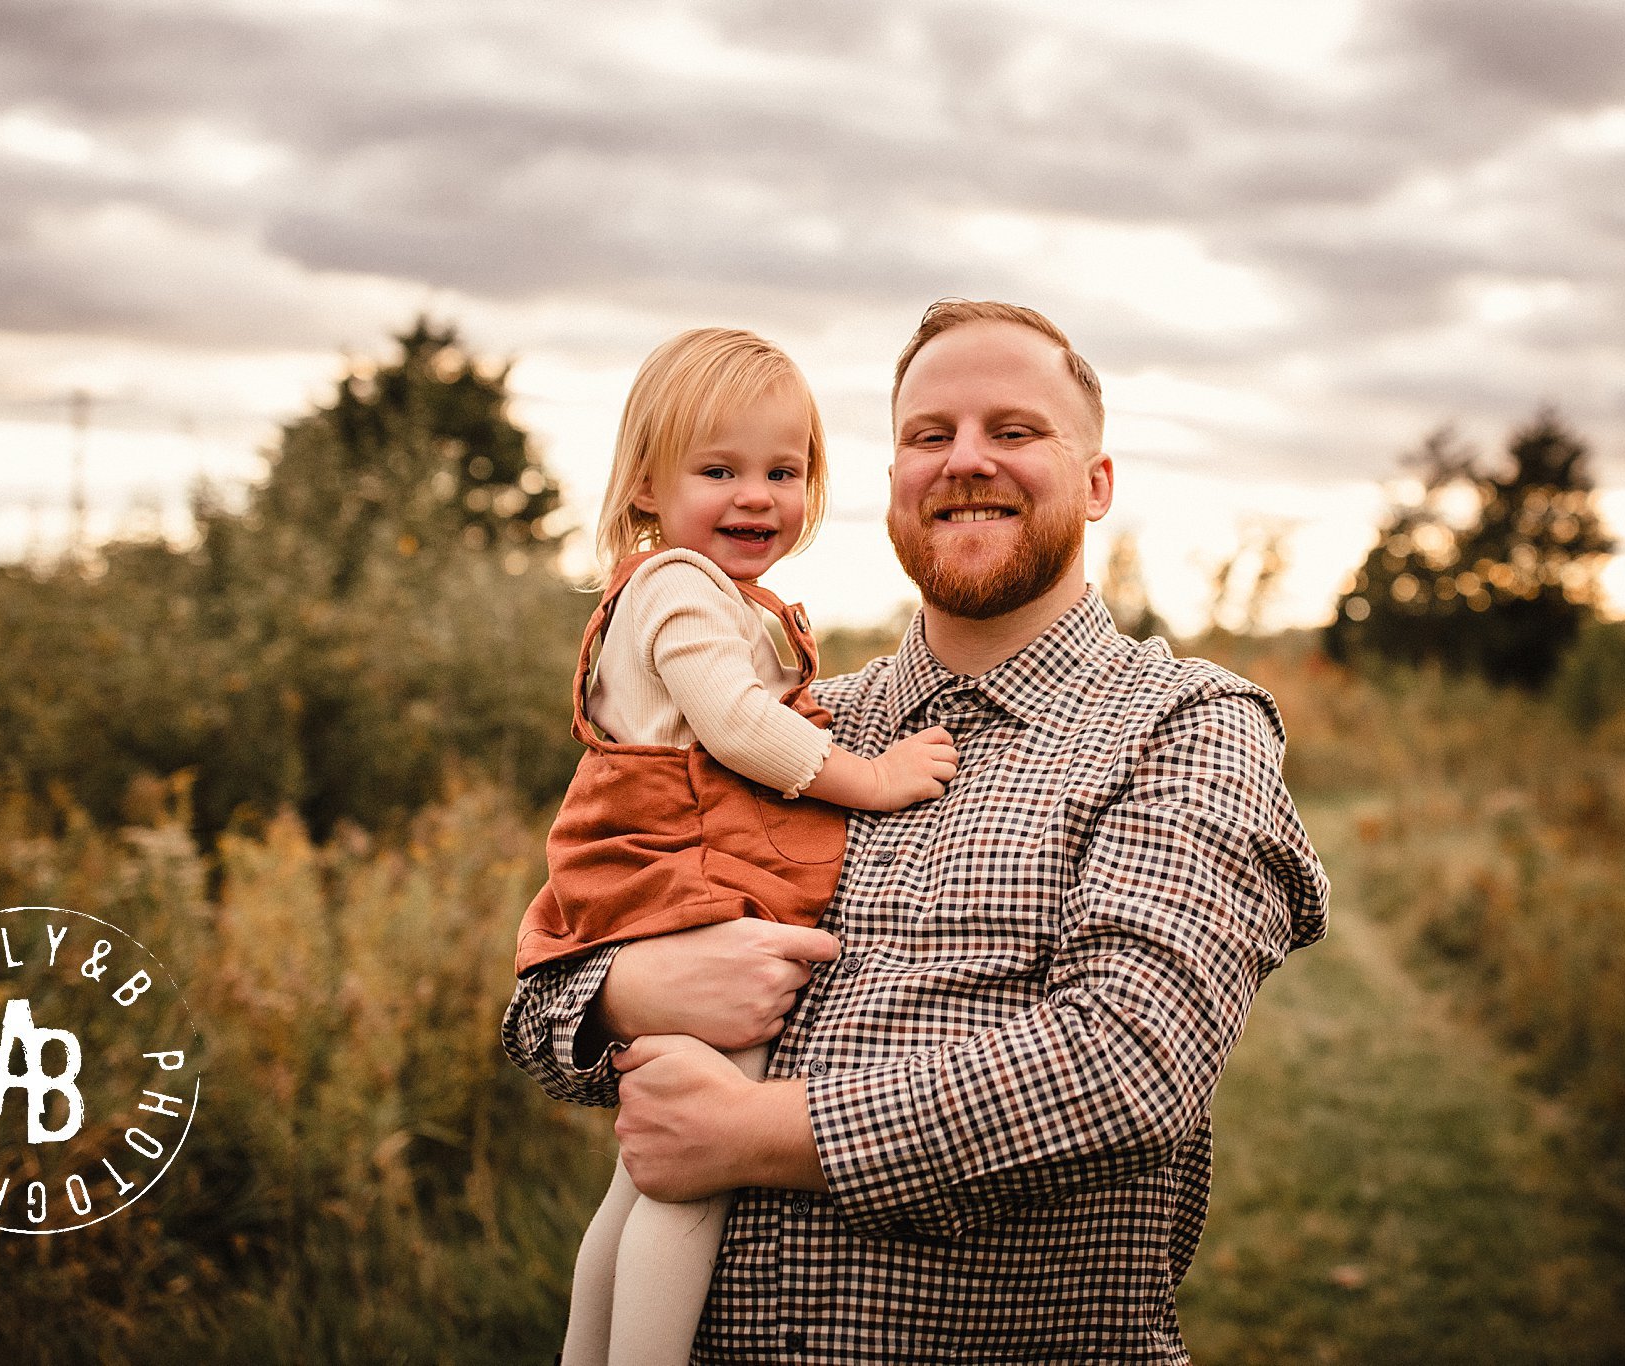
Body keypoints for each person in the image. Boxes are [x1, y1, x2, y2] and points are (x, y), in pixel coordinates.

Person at [505, 301, 1330, 1364]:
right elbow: (541, 1003)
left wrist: (753, 1135)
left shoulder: (1186, 726)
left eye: (1014, 431)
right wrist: (628, 991)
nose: (964, 461)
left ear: (1095, 483)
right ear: (892, 478)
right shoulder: (794, 728)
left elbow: (1130, 1065)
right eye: (927, 435)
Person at [516, 327, 960, 1366]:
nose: (755, 495)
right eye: (718, 470)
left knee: (643, 1165)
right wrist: (874, 777)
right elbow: (737, 726)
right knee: (696, 1160)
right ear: (643, 486)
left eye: (783, 469)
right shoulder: (676, 585)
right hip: (690, 881)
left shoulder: (688, 592)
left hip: (662, 880)